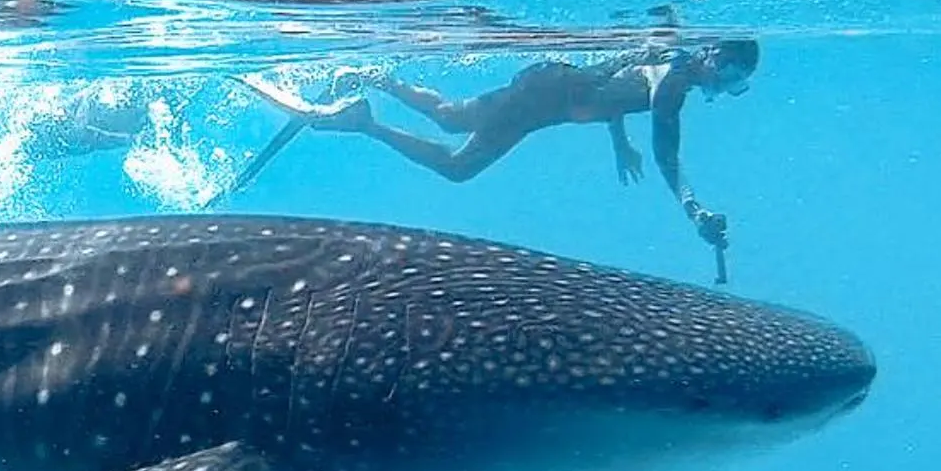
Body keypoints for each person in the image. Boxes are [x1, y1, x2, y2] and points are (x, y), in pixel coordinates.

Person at [233, 39, 759, 282]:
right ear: (715, 56)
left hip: (546, 85)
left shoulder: (668, 57)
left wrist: (618, 138)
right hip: (545, 100)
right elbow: (668, 152)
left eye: (738, 86)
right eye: (730, 76)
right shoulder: (674, 85)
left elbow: (618, 83)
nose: (725, 87)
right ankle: (363, 120)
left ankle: (374, 75)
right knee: (458, 165)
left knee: (451, 117)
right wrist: (695, 212)